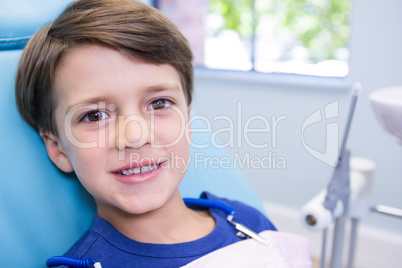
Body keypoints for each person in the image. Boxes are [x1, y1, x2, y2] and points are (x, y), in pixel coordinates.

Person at [15, 0, 276, 267]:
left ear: (187, 120)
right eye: (94, 115)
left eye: (159, 103)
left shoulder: (248, 222)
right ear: (58, 148)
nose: (135, 136)